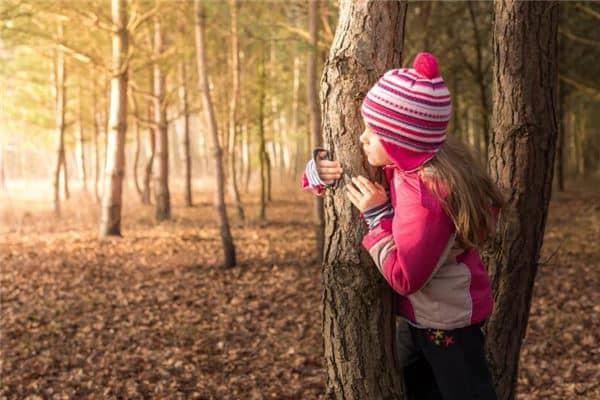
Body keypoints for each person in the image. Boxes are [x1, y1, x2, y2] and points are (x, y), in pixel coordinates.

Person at [301, 52, 503, 400]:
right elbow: (345, 178)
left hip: (447, 326)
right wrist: (318, 173)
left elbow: (406, 277)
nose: (362, 139)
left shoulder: (427, 197)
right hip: (424, 318)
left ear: (399, 141)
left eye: (372, 131)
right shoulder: (407, 166)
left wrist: (378, 218)